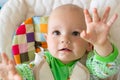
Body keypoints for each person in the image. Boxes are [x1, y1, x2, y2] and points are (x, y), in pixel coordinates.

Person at [0, 4, 120, 80]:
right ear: (47, 39)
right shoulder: (37, 65)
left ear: (89, 44)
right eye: (57, 33)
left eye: (75, 33)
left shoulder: (91, 66)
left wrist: (101, 44)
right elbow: (24, 73)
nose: (65, 40)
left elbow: (108, 67)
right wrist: (13, 74)